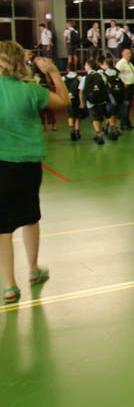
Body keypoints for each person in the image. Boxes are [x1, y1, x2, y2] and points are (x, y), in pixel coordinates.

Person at [0, 42, 69, 304]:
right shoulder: (31, 90)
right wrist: (53, 73)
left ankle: (9, 286)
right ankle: (33, 269)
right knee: (30, 216)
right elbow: (63, 101)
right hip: (28, 163)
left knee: (2, 226)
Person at [79, 58, 109, 145]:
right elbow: (106, 85)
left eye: (85, 65)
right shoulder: (101, 75)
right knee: (99, 117)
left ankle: (98, 133)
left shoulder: (85, 77)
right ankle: (99, 132)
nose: (84, 66)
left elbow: (81, 91)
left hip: (90, 101)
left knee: (94, 117)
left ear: (88, 66)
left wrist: (82, 102)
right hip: (101, 100)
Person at [100, 56, 122, 141]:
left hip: (109, 95)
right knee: (114, 112)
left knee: (110, 112)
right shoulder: (117, 72)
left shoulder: (104, 74)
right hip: (118, 94)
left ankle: (113, 130)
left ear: (106, 65)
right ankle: (108, 126)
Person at [116, 48, 134, 129]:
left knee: (128, 105)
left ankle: (127, 123)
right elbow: (116, 73)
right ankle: (123, 124)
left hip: (130, 86)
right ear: (123, 54)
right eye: (128, 53)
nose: (130, 55)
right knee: (125, 105)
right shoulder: (121, 63)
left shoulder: (129, 63)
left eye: (130, 53)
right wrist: (122, 83)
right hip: (125, 88)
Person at [62, 62, 83, 141]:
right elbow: (81, 89)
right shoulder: (79, 78)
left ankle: (72, 129)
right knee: (77, 115)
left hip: (68, 98)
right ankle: (77, 131)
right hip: (77, 99)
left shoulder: (63, 78)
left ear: (67, 69)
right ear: (75, 69)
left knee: (70, 115)